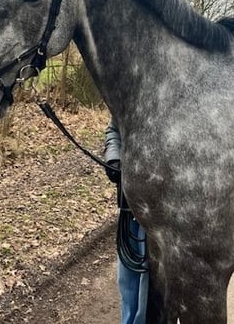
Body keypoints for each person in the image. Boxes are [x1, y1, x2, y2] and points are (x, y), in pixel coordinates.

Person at [104, 117, 149, 324]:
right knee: (128, 279)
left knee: (151, 285)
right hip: (129, 205)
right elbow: (114, 130)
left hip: (161, 211)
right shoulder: (131, 91)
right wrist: (114, 157)